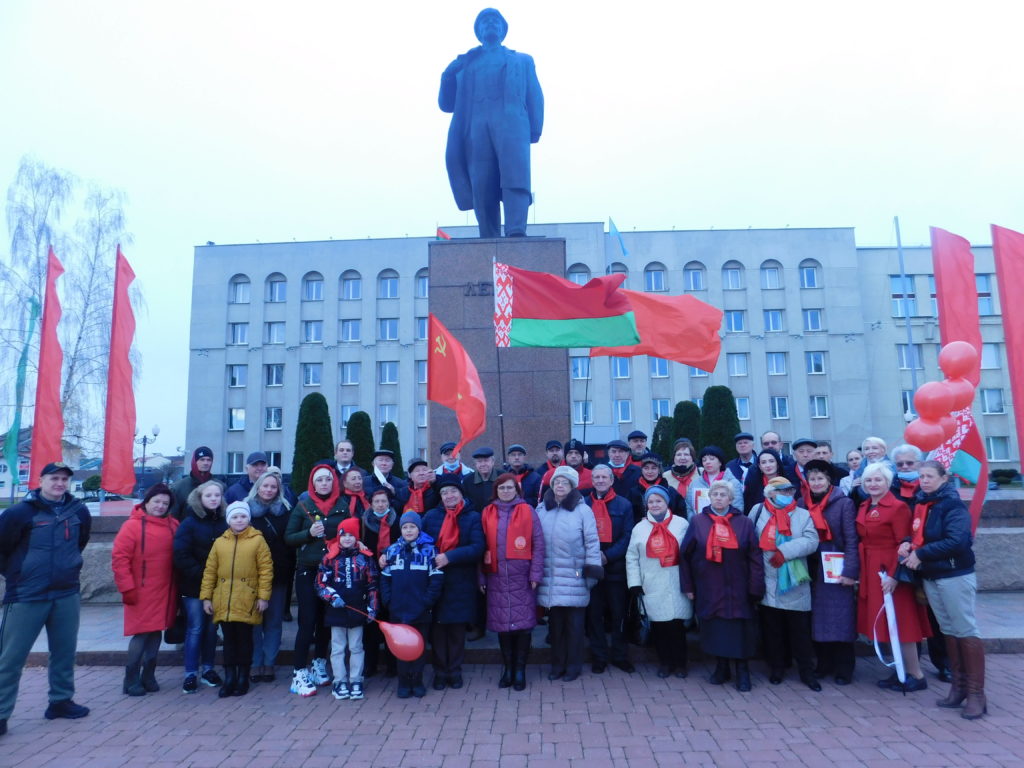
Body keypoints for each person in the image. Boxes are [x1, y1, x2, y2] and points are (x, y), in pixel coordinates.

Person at [0, 462, 91, 735]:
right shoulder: (19, 513)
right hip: (27, 595)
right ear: (41, 480)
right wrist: (18, 574)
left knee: (64, 652)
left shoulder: (79, 511)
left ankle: (60, 701)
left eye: (64, 479)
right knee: (10, 658)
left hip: (66, 593)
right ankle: (2, 713)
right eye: (54, 478)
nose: (60, 483)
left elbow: (80, 543)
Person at [439, 7, 543, 238]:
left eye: (495, 20)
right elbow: (446, 105)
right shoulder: (464, 65)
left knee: (515, 177)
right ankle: (488, 236)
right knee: (482, 182)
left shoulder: (522, 60)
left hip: (511, 126)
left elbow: (535, 94)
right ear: (478, 31)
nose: (490, 24)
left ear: (504, 29)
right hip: (475, 128)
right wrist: (446, 76)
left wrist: (535, 128)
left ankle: (516, 230)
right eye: (484, 21)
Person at [901, 461, 986, 718]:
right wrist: (906, 544)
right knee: (948, 630)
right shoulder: (922, 503)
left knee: (965, 629)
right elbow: (917, 533)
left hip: (954, 574)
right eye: (921, 476)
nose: (924, 480)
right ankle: (959, 688)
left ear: (943, 478)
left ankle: (976, 694)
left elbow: (958, 540)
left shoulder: (952, 504)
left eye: (929, 476)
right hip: (932, 575)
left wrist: (922, 554)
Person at [680, 480, 764, 692]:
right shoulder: (698, 521)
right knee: (716, 629)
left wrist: (755, 586)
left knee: (739, 631)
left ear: (731, 498)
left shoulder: (743, 522)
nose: (718, 497)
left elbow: (754, 555)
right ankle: (721, 667)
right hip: (709, 586)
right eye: (715, 493)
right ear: (709, 496)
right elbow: (685, 556)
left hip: (738, 586)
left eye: (723, 494)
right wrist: (688, 586)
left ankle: (742, 671)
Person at [856, 462, 931, 692]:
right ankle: (900, 669)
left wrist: (894, 576)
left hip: (890, 570)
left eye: (878, 480)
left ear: (888, 482)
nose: (873, 484)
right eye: (869, 480)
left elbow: (904, 544)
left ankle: (916, 674)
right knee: (887, 624)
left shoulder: (898, 507)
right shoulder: (864, 505)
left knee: (902, 623)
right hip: (870, 567)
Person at [749, 477, 821, 691]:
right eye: (780, 491)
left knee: (800, 631)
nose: (786, 494)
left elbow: (812, 540)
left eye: (789, 491)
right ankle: (777, 668)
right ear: (769, 493)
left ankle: (806, 671)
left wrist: (785, 551)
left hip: (794, 580)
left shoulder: (802, 514)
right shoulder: (758, 511)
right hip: (768, 578)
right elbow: (749, 538)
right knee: (773, 630)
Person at [285, 465, 349, 696]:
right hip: (308, 570)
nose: (324, 483)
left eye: (328, 480)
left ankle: (319, 661)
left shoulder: (342, 506)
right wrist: (308, 534)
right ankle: (299, 671)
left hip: (332, 570)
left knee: (326, 619)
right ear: (313, 483)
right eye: (319, 480)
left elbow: (349, 532)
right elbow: (289, 537)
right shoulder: (303, 506)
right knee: (307, 619)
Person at [111, 483, 179, 696]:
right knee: (141, 634)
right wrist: (127, 588)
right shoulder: (131, 526)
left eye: (165, 503)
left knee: (156, 631)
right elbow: (119, 559)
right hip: (141, 590)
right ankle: (131, 678)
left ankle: (148, 675)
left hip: (166, 589)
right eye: (156, 501)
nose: (160, 506)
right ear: (146, 502)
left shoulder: (173, 525)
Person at [535, 466, 602, 682]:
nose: (560, 486)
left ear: (572, 485)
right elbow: (535, 543)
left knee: (574, 628)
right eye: (556, 482)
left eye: (564, 482)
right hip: (551, 577)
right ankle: (557, 665)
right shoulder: (541, 510)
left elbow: (592, 543)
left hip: (575, 576)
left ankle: (573, 666)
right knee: (556, 628)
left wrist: (591, 573)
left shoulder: (583, 511)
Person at [478, 473, 545, 690]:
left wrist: (535, 574)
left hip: (522, 578)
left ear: (517, 490)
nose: (506, 491)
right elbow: (481, 547)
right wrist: (481, 575)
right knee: (503, 628)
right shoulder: (488, 512)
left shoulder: (528, 511)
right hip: (495, 576)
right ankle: (508, 669)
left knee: (523, 627)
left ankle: (520, 670)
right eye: (502, 488)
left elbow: (538, 544)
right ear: (496, 491)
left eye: (510, 488)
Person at [200, 501, 272, 697]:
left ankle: (243, 677)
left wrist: (263, 596)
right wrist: (206, 597)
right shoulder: (220, 542)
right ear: (228, 520)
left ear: (248, 518)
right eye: (235, 517)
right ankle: (230, 676)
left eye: (243, 516)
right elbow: (210, 571)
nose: (239, 520)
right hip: (224, 599)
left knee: (244, 640)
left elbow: (265, 570)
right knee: (229, 640)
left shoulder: (258, 540)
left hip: (246, 599)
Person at [422, 476, 485, 689]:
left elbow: (478, 547)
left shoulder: (473, 517)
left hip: (461, 580)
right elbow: (420, 542)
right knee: (438, 630)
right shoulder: (431, 516)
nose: (449, 496)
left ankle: (455, 671)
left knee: (457, 630)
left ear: (461, 494)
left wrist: (450, 557)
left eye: (453, 491)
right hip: (436, 581)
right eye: (444, 492)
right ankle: (440, 672)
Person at [802, 460, 859, 685]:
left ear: (828, 481)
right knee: (818, 620)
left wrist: (851, 571)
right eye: (812, 479)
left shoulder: (843, 503)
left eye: (820, 479)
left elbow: (852, 539)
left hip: (836, 565)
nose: (815, 483)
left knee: (841, 617)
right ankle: (823, 664)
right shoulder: (801, 503)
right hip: (811, 566)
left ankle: (844, 668)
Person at [626, 486, 691, 678]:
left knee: (677, 627)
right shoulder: (640, 527)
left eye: (659, 501)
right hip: (651, 584)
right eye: (651, 502)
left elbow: (689, 554)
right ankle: (665, 663)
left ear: (666, 502)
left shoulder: (681, 524)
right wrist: (635, 583)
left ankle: (680, 663)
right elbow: (632, 557)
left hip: (676, 582)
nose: (655, 505)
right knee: (659, 627)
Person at [381, 511, 444, 698]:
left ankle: (417, 681)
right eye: (405, 527)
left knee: (419, 647)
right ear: (401, 530)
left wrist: (427, 601)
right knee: (401, 648)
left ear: (419, 528)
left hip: (421, 610)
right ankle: (403, 681)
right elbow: (385, 579)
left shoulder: (429, 551)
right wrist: (388, 600)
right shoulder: (392, 551)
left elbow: (436, 580)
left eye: (412, 527)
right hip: (398, 610)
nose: (409, 530)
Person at [173, 479, 228, 693]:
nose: (213, 499)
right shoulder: (189, 522)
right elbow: (181, 554)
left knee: (212, 629)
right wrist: (203, 575)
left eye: (217, 495)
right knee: (195, 628)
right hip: (194, 586)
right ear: (199, 498)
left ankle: (208, 669)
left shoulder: (225, 521)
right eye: (208, 495)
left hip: (217, 586)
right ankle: (190, 673)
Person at [317, 517, 379, 701]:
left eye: (351, 536)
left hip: (358, 609)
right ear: (338, 537)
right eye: (344, 535)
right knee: (337, 648)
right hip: (337, 610)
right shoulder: (330, 558)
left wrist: (372, 608)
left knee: (356, 646)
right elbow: (320, 583)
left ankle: (356, 680)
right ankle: (340, 681)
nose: (347, 539)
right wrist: (331, 597)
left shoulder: (365, 558)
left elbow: (373, 585)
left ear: (356, 538)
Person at [585, 464, 635, 674]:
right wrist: (594, 556)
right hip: (592, 566)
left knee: (618, 614)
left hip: (615, 566)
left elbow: (627, 535)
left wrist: (608, 555)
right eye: (596, 477)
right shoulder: (584, 504)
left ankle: (619, 655)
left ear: (612, 480)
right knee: (594, 615)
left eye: (604, 477)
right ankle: (599, 656)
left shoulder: (624, 505)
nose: (600, 480)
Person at [246, 467, 294, 683]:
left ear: (278, 489)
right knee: (254, 620)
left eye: (273, 486)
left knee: (273, 621)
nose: (268, 489)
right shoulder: (245, 509)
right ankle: (255, 662)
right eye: (265, 485)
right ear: (258, 487)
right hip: (251, 575)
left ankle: (269, 663)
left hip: (279, 573)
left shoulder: (285, 509)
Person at [362, 487, 401, 678]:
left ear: (388, 503)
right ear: (371, 503)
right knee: (371, 620)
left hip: (393, 576)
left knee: (391, 619)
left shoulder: (398, 521)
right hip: (370, 576)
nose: (380, 505)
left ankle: (392, 664)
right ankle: (371, 663)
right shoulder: (364, 522)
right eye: (376, 501)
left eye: (383, 501)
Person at [687, 446, 743, 518]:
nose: (707, 462)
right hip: (700, 526)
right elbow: (689, 508)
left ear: (720, 462)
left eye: (712, 459)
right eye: (704, 460)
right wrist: (696, 522)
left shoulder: (733, 483)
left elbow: (737, 508)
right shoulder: (694, 483)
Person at [628, 454, 685, 522]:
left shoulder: (670, 492)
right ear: (641, 470)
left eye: (654, 468)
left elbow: (681, 514)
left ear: (659, 470)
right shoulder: (633, 492)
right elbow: (629, 517)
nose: (650, 472)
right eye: (646, 468)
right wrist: (639, 520)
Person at [742, 448, 798, 514]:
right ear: (760, 467)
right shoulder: (753, 484)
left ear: (777, 464)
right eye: (763, 462)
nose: (768, 465)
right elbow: (748, 508)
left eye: (771, 461)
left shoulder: (789, 481)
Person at [172, 446, 216, 520]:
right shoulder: (178, 487)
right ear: (194, 461)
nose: (206, 463)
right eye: (202, 460)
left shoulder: (218, 486)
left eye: (209, 460)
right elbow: (173, 516)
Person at [848, 436, 894, 504]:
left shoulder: (893, 468)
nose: (870, 451)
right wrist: (853, 488)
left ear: (883, 450)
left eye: (875, 448)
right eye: (866, 449)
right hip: (864, 507)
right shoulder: (858, 471)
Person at [463, 446, 501, 512]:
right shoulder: (467, 480)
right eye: (479, 461)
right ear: (475, 464)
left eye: (486, 460)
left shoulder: (502, 476)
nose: (483, 464)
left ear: (493, 461)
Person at [663, 439, 699, 503]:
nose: (682, 458)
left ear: (692, 457)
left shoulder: (701, 473)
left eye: (686, 454)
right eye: (679, 455)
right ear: (674, 458)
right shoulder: (665, 476)